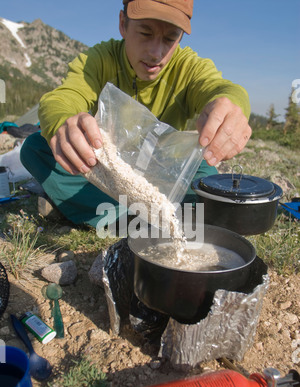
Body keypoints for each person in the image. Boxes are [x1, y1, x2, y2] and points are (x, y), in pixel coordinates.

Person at [21, 0, 252, 229]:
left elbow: (221, 88)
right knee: (36, 149)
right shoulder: (99, 59)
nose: (156, 53)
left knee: (205, 175)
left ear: (180, 38)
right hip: (109, 168)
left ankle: (101, 211)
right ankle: (156, 216)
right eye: (145, 33)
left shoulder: (188, 68)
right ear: (123, 24)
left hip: (162, 168)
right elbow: (63, 97)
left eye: (170, 38)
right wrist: (63, 122)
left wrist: (232, 105)